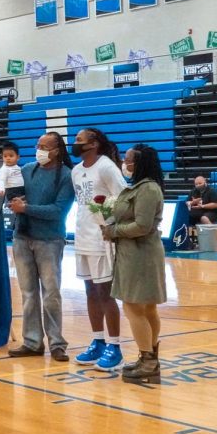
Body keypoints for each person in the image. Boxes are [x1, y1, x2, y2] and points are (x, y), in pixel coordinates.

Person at [103, 144, 167, 384]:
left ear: (139, 163)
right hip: (137, 253)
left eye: (128, 159)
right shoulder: (140, 187)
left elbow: (142, 226)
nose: (124, 163)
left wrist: (113, 231)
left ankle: (148, 360)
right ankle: (149, 359)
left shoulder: (148, 189)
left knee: (133, 308)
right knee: (148, 308)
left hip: (140, 255)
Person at [8, 132, 75, 362]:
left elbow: (58, 211)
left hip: (49, 241)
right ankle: (32, 341)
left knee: (51, 293)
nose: (39, 150)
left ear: (57, 150)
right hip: (22, 238)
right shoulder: (27, 170)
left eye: (45, 146)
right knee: (28, 293)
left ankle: (57, 343)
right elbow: (14, 197)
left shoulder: (67, 176)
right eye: (38, 145)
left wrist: (26, 209)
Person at [71, 128, 127, 371]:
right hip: (82, 237)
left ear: (94, 144)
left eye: (79, 140)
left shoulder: (106, 167)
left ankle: (114, 346)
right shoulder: (76, 170)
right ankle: (98, 340)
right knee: (90, 291)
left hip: (101, 239)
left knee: (105, 292)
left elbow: (124, 197)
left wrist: (108, 219)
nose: (75, 143)